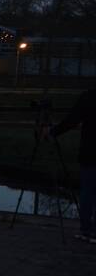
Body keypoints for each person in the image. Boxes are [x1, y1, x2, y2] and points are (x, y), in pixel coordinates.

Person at [47, 90, 96, 243]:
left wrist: (54, 132)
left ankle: (86, 229)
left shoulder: (89, 97)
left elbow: (71, 120)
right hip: (90, 152)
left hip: (90, 152)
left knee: (87, 191)